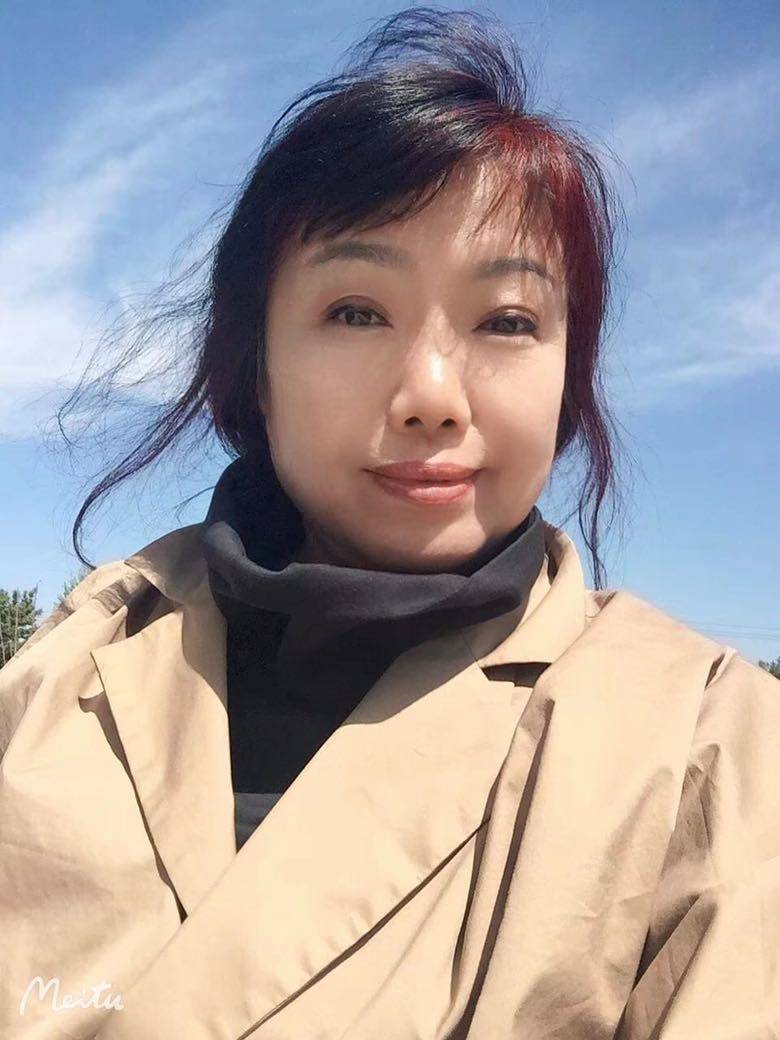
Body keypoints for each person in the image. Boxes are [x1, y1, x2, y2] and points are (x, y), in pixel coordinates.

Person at [1, 8, 778, 1040]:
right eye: (356, 312)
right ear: (256, 368)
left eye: (507, 321)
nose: (432, 398)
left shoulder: (709, 742)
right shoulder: (62, 675)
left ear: (567, 380)